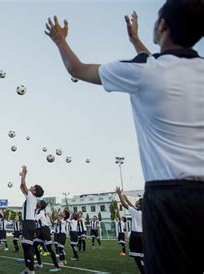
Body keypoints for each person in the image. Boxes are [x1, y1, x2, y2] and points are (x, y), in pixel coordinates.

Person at [44, 1, 204, 272]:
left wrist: (60, 40)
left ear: (162, 25)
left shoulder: (144, 70)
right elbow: (158, 63)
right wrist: (135, 40)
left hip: (168, 197)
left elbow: (77, 69)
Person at [19, 165, 44, 274]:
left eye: (33, 186)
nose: (31, 186)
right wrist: (23, 175)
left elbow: (23, 185)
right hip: (28, 223)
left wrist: (24, 174)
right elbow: (21, 186)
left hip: (29, 224)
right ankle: (28, 268)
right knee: (25, 246)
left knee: (28, 247)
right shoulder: (30, 197)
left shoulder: (31, 196)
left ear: (34, 191)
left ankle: (31, 271)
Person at [116, 187, 144, 273]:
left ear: (139, 205)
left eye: (138, 201)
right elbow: (132, 206)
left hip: (136, 236)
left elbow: (124, 205)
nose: (136, 202)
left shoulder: (137, 212)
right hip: (143, 235)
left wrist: (119, 194)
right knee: (142, 256)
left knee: (137, 257)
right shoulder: (143, 212)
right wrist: (127, 199)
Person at [33, 200, 60, 271]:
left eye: (38, 202)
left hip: (45, 230)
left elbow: (35, 219)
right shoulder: (37, 210)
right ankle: (39, 264)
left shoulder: (41, 212)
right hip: (40, 230)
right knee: (35, 245)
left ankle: (57, 267)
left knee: (49, 248)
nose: (37, 202)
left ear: (41, 205)